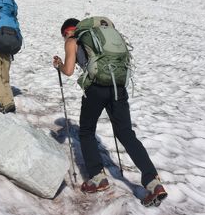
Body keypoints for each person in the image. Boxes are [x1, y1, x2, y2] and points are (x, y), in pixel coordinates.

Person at [52, 18, 167, 207]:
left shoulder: (72, 41)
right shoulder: (99, 40)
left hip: (95, 89)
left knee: (87, 132)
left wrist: (59, 64)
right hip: (117, 86)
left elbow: (70, 70)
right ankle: (153, 181)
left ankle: (97, 177)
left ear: (67, 31)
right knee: (126, 134)